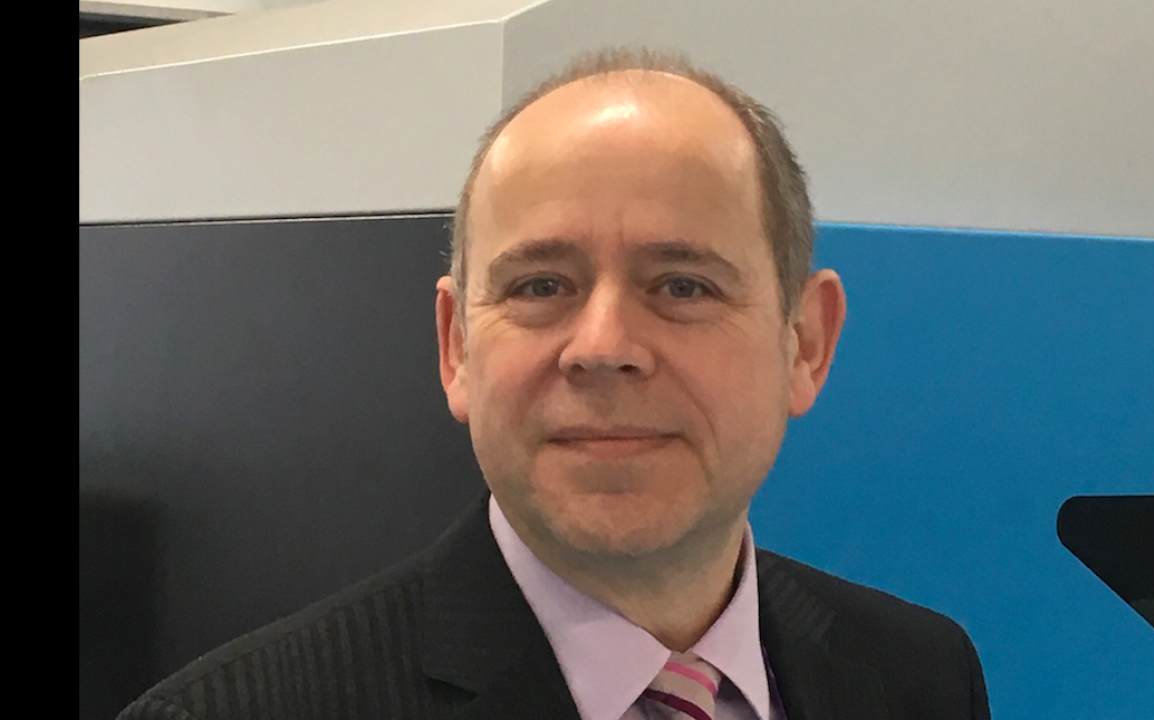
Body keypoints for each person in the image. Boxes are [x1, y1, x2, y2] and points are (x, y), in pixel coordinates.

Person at [119, 48, 990, 720]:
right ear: (457, 347)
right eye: (541, 286)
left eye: (682, 286)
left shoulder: (918, 675)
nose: (603, 347)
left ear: (805, 343)